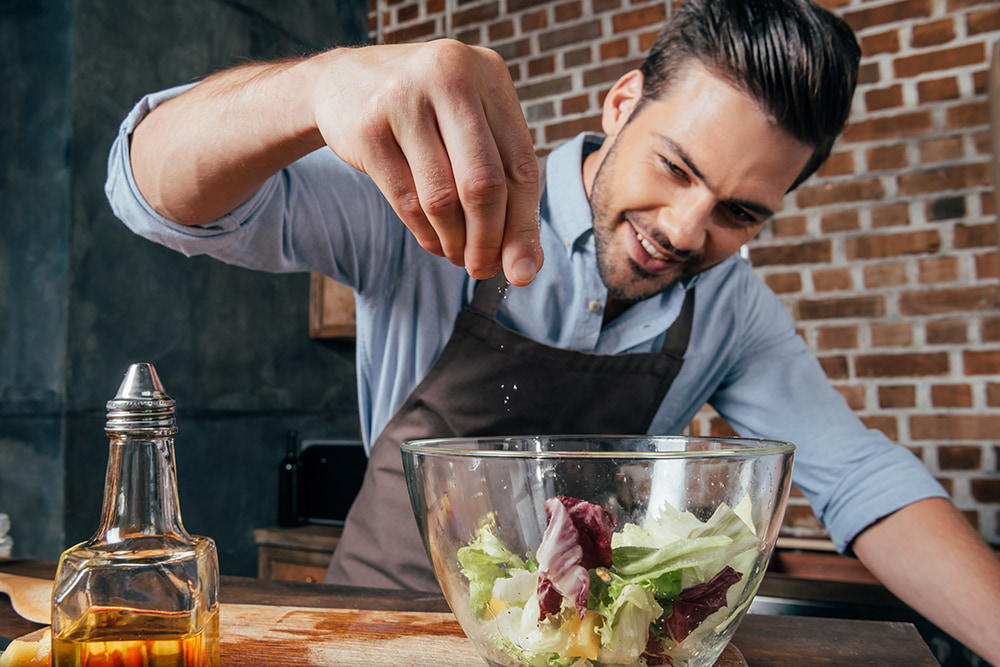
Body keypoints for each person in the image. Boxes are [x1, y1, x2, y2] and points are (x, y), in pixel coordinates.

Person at [106, 0, 1000, 662]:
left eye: (738, 211)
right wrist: (315, 84)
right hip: (377, 632)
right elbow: (153, 198)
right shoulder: (446, 191)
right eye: (675, 167)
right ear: (621, 104)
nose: (688, 231)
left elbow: (863, 478)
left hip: (582, 647)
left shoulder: (730, 305)